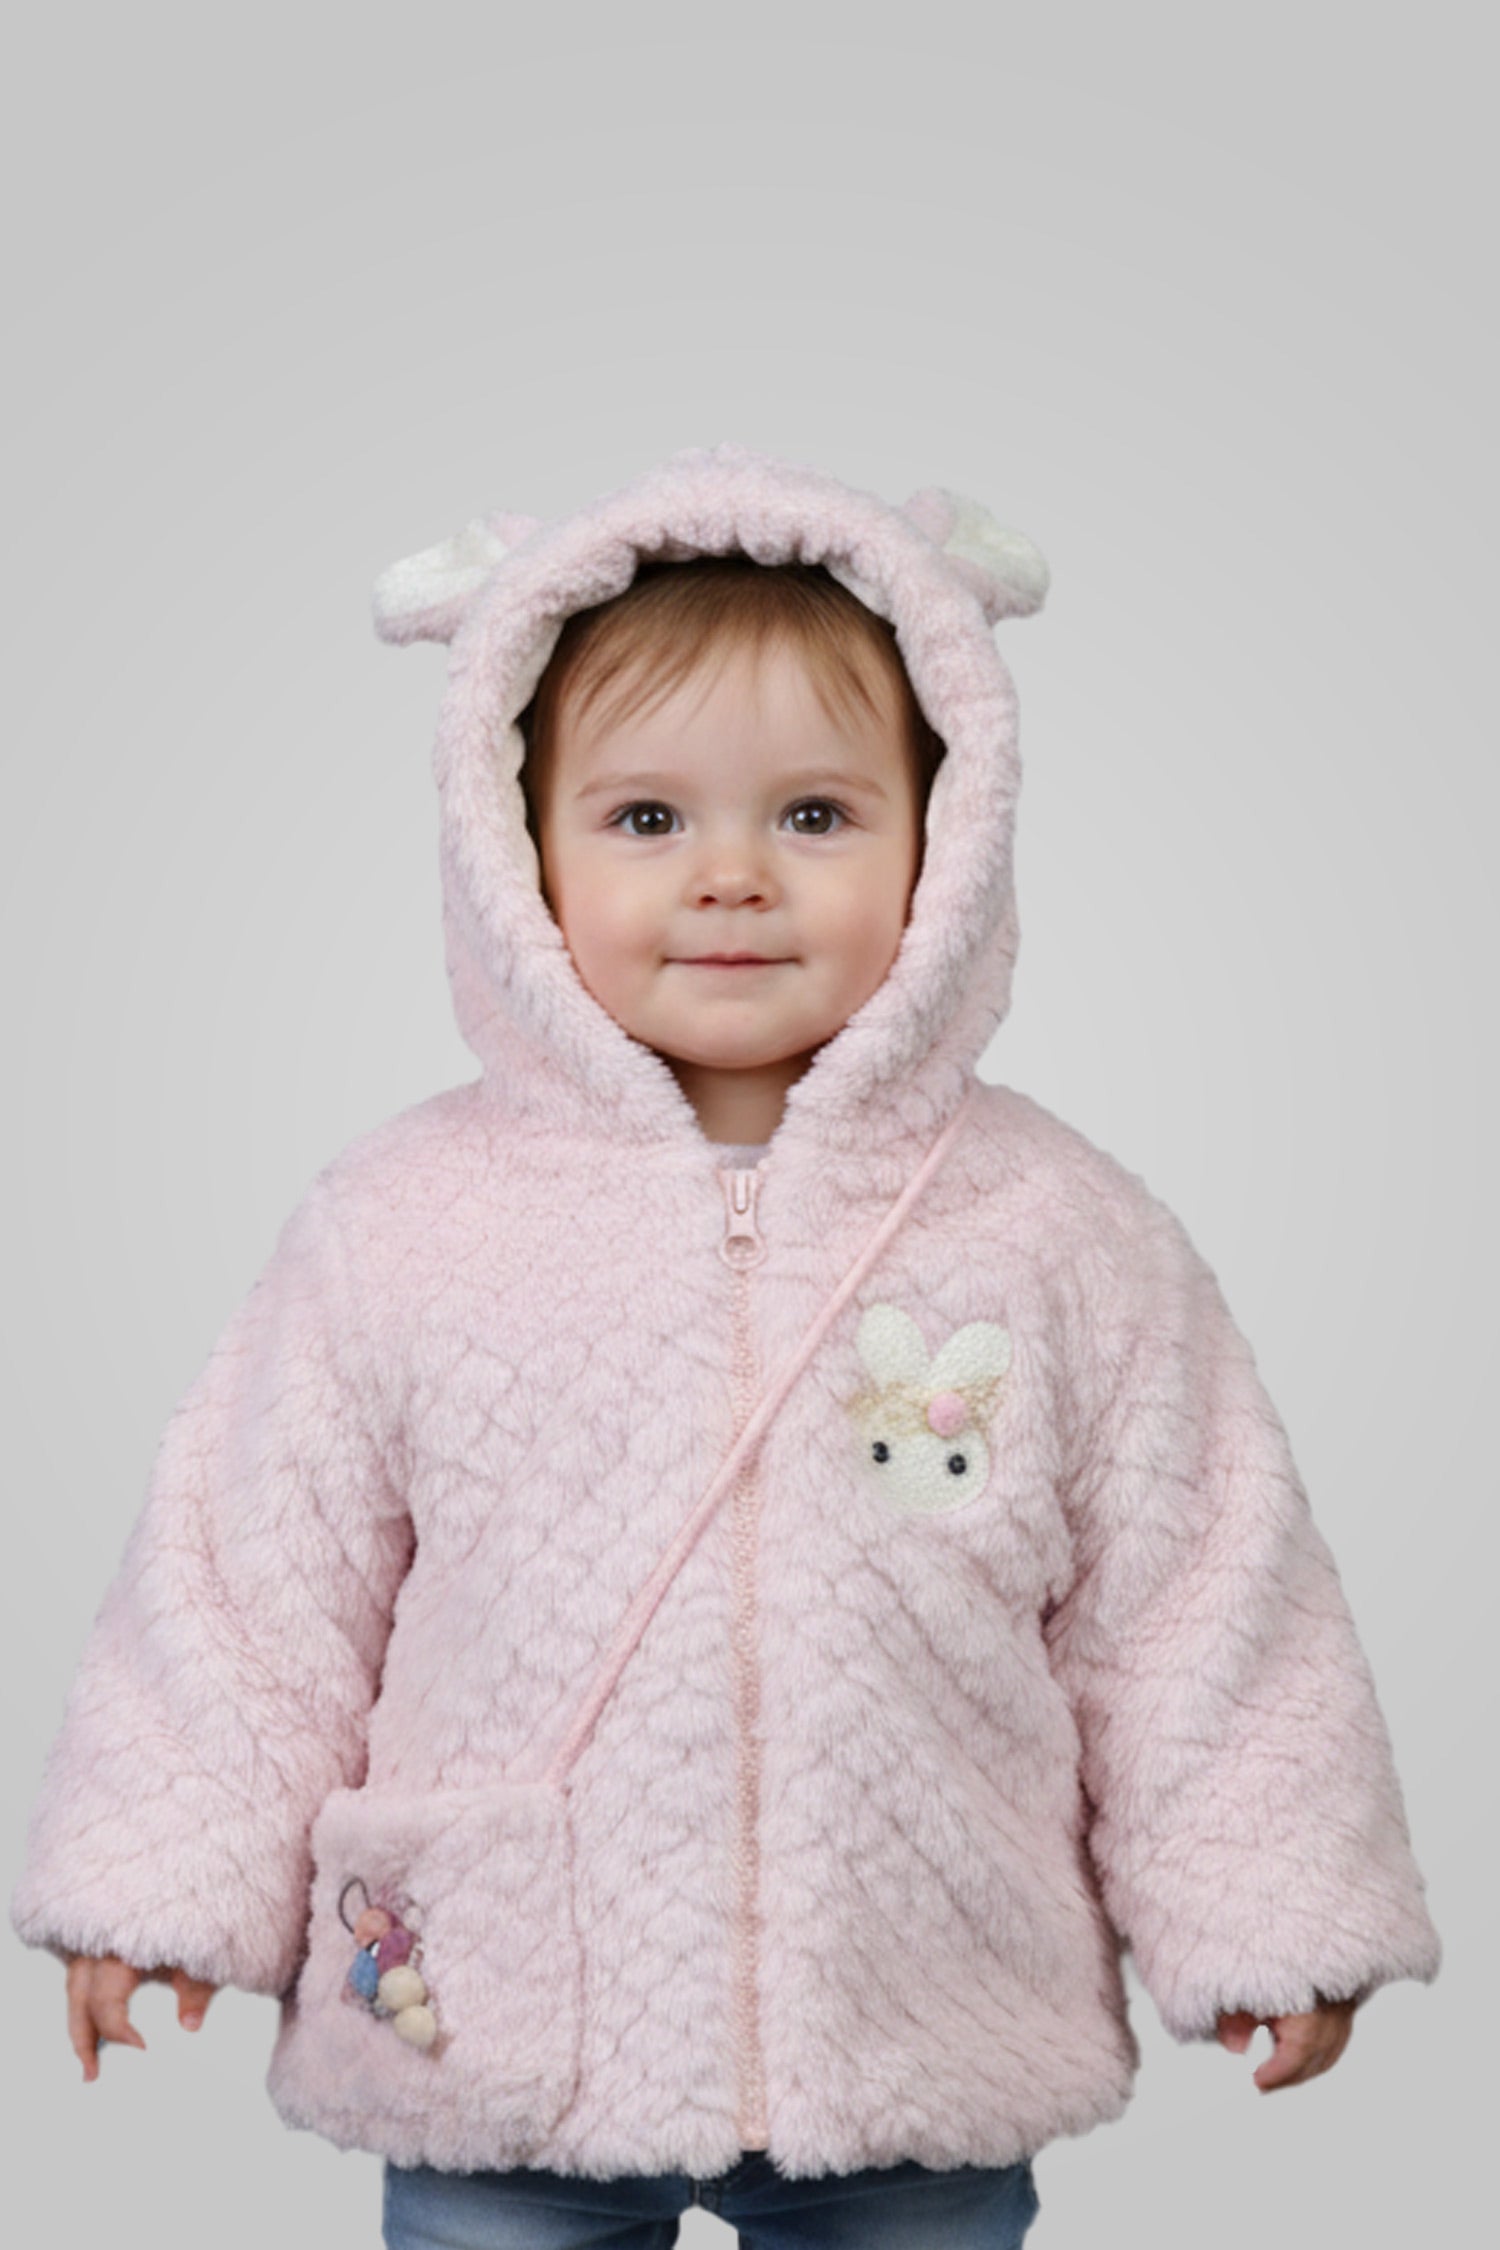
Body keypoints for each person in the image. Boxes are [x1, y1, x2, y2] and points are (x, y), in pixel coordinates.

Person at [11, 442, 1440, 2249]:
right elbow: (247, 1581)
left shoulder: (1061, 1233)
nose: (734, 877)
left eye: (817, 816)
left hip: (916, 2030)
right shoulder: (401, 1225)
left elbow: (1204, 1595)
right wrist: (158, 1883)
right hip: (494, 2015)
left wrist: (1274, 1907)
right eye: (646, 819)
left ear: (947, 842)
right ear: (516, 850)